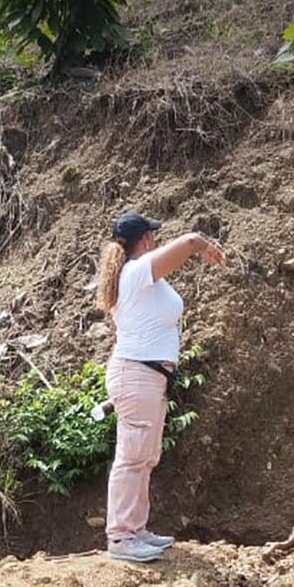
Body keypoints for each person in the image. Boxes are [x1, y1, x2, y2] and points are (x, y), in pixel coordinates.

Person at [96, 211, 225, 562]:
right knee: (132, 456)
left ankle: (135, 529)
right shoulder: (136, 271)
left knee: (144, 456)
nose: (155, 239)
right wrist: (205, 247)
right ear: (145, 239)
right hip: (138, 374)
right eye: (151, 235)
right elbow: (190, 241)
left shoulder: (136, 276)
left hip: (147, 375)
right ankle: (121, 536)